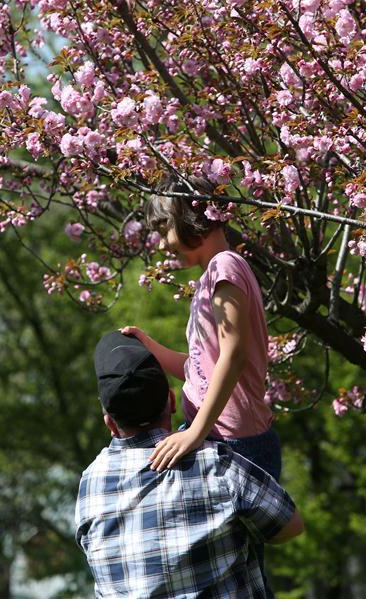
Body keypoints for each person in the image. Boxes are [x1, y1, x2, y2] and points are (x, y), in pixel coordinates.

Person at [75, 331, 303, 597]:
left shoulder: (90, 486)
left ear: (110, 424)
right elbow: (289, 525)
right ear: (172, 401)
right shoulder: (215, 464)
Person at [123, 178, 281, 479]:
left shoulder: (226, 267)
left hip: (237, 441)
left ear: (190, 218)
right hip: (215, 433)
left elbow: (234, 356)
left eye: (163, 230)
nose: (160, 244)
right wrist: (149, 347)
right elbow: (202, 369)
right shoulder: (212, 276)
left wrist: (195, 432)